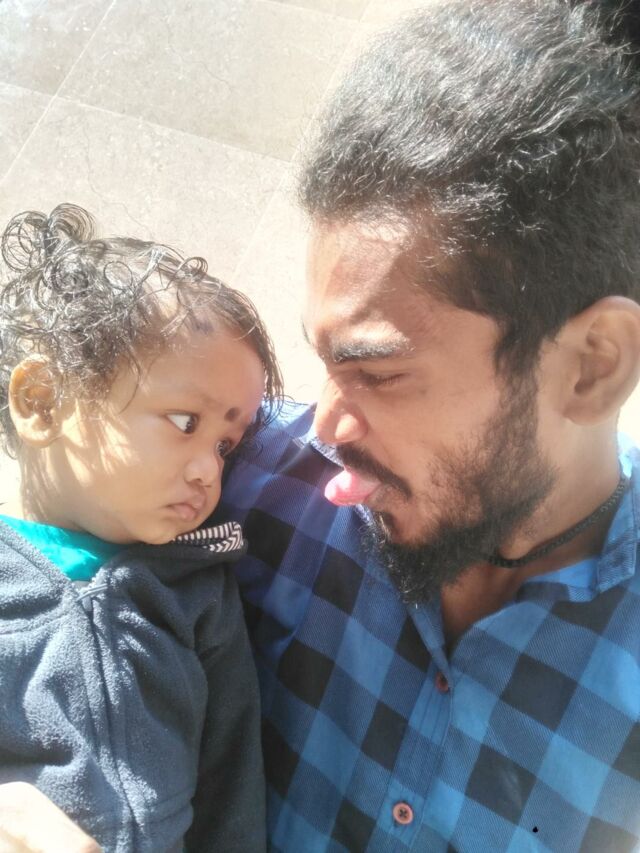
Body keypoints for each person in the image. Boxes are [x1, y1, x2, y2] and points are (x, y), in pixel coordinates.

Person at [216, 0, 640, 850]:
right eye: (325, 361)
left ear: (592, 366)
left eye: (377, 372)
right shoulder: (241, 485)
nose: (326, 420)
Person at [0, 204, 282, 852]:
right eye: (186, 423)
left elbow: (232, 781)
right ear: (42, 401)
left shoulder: (198, 590)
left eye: (226, 446)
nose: (208, 470)